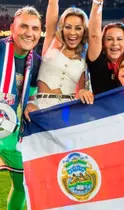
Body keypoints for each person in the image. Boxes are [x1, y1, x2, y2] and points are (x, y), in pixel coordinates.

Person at [0, 6, 42, 210]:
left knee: (23, 185)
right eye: (24, 26)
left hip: (11, 133)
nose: (29, 33)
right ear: (12, 28)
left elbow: (32, 91)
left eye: (35, 28)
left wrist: (32, 101)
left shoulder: (36, 62)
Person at [26, 0, 89, 111]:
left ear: (84, 31)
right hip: (40, 108)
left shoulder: (84, 59)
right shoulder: (52, 44)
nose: (72, 33)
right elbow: (52, 4)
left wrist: (83, 92)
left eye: (78, 28)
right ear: (62, 28)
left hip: (67, 111)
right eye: (68, 27)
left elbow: (80, 92)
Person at [86, 0, 124, 95]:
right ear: (103, 43)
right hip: (103, 109)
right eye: (109, 39)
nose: (114, 43)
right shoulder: (98, 64)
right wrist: (97, 3)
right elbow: (94, 35)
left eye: (119, 39)